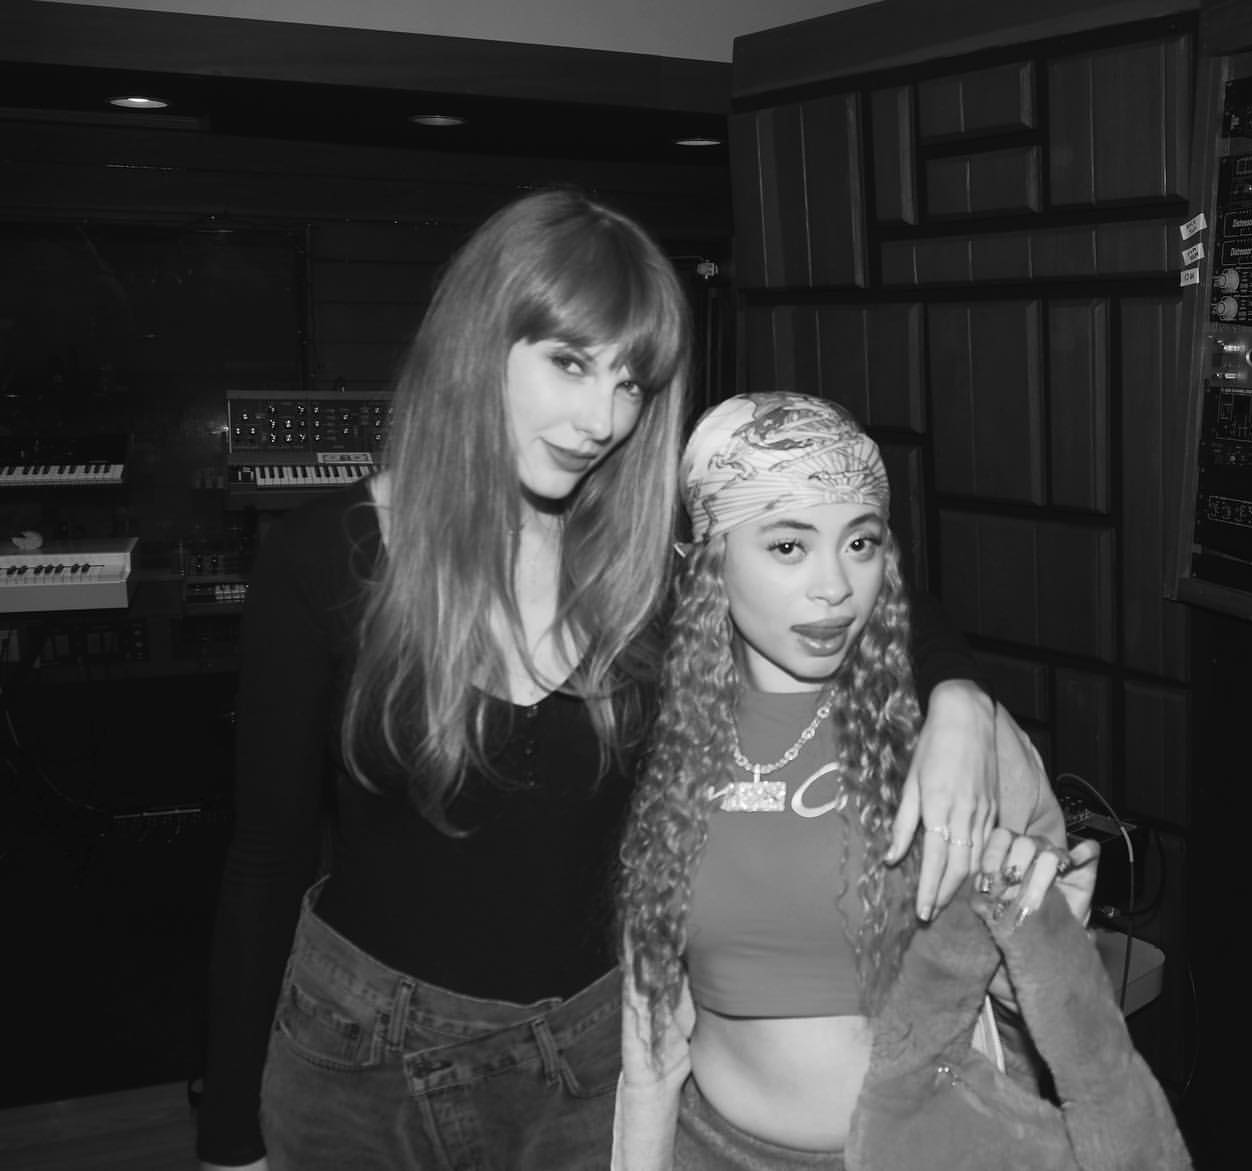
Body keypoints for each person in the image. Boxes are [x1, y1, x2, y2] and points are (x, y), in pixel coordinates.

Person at [196, 191, 1046, 1171]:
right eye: (570, 362)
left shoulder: (648, 571)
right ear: (480, 341)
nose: (602, 419)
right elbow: (263, 859)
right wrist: (228, 1137)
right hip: (358, 1057)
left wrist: (959, 699)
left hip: (590, 1062)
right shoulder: (324, 561)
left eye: (631, 382)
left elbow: (861, 585)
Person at [614, 393, 1184, 1169]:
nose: (835, 585)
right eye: (788, 545)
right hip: (712, 1147)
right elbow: (649, 1026)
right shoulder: (658, 732)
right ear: (706, 560)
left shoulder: (956, 738)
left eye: (860, 542)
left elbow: (1035, 1001)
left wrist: (1043, 927)